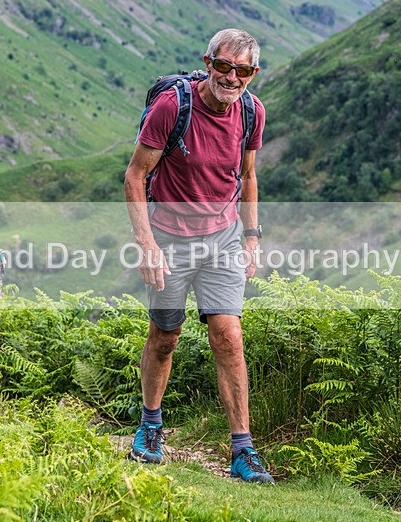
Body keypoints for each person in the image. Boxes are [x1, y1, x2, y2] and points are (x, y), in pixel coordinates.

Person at [123, 29, 274, 484]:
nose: (232, 78)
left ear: (253, 73)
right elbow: (134, 177)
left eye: (243, 70)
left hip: (224, 238)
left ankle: (243, 451)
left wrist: (251, 237)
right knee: (165, 335)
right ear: (207, 62)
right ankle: (151, 425)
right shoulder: (174, 106)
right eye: (224, 66)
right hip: (168, 238)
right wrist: (147, 247)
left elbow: (247, 175)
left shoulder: (251, 112)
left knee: (229, 336)